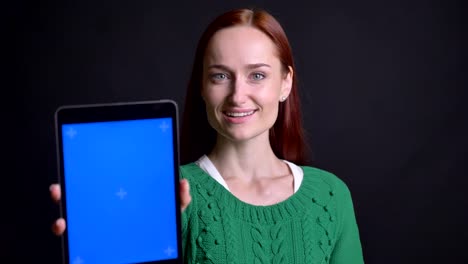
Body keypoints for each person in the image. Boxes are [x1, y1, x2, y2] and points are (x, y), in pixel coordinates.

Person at [50, 8, 364, 263]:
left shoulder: (330, 197)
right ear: (202, 86)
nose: (238, 95)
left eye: (257, 75)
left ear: (285, 83)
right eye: (220, 76)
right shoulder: (170, 194)